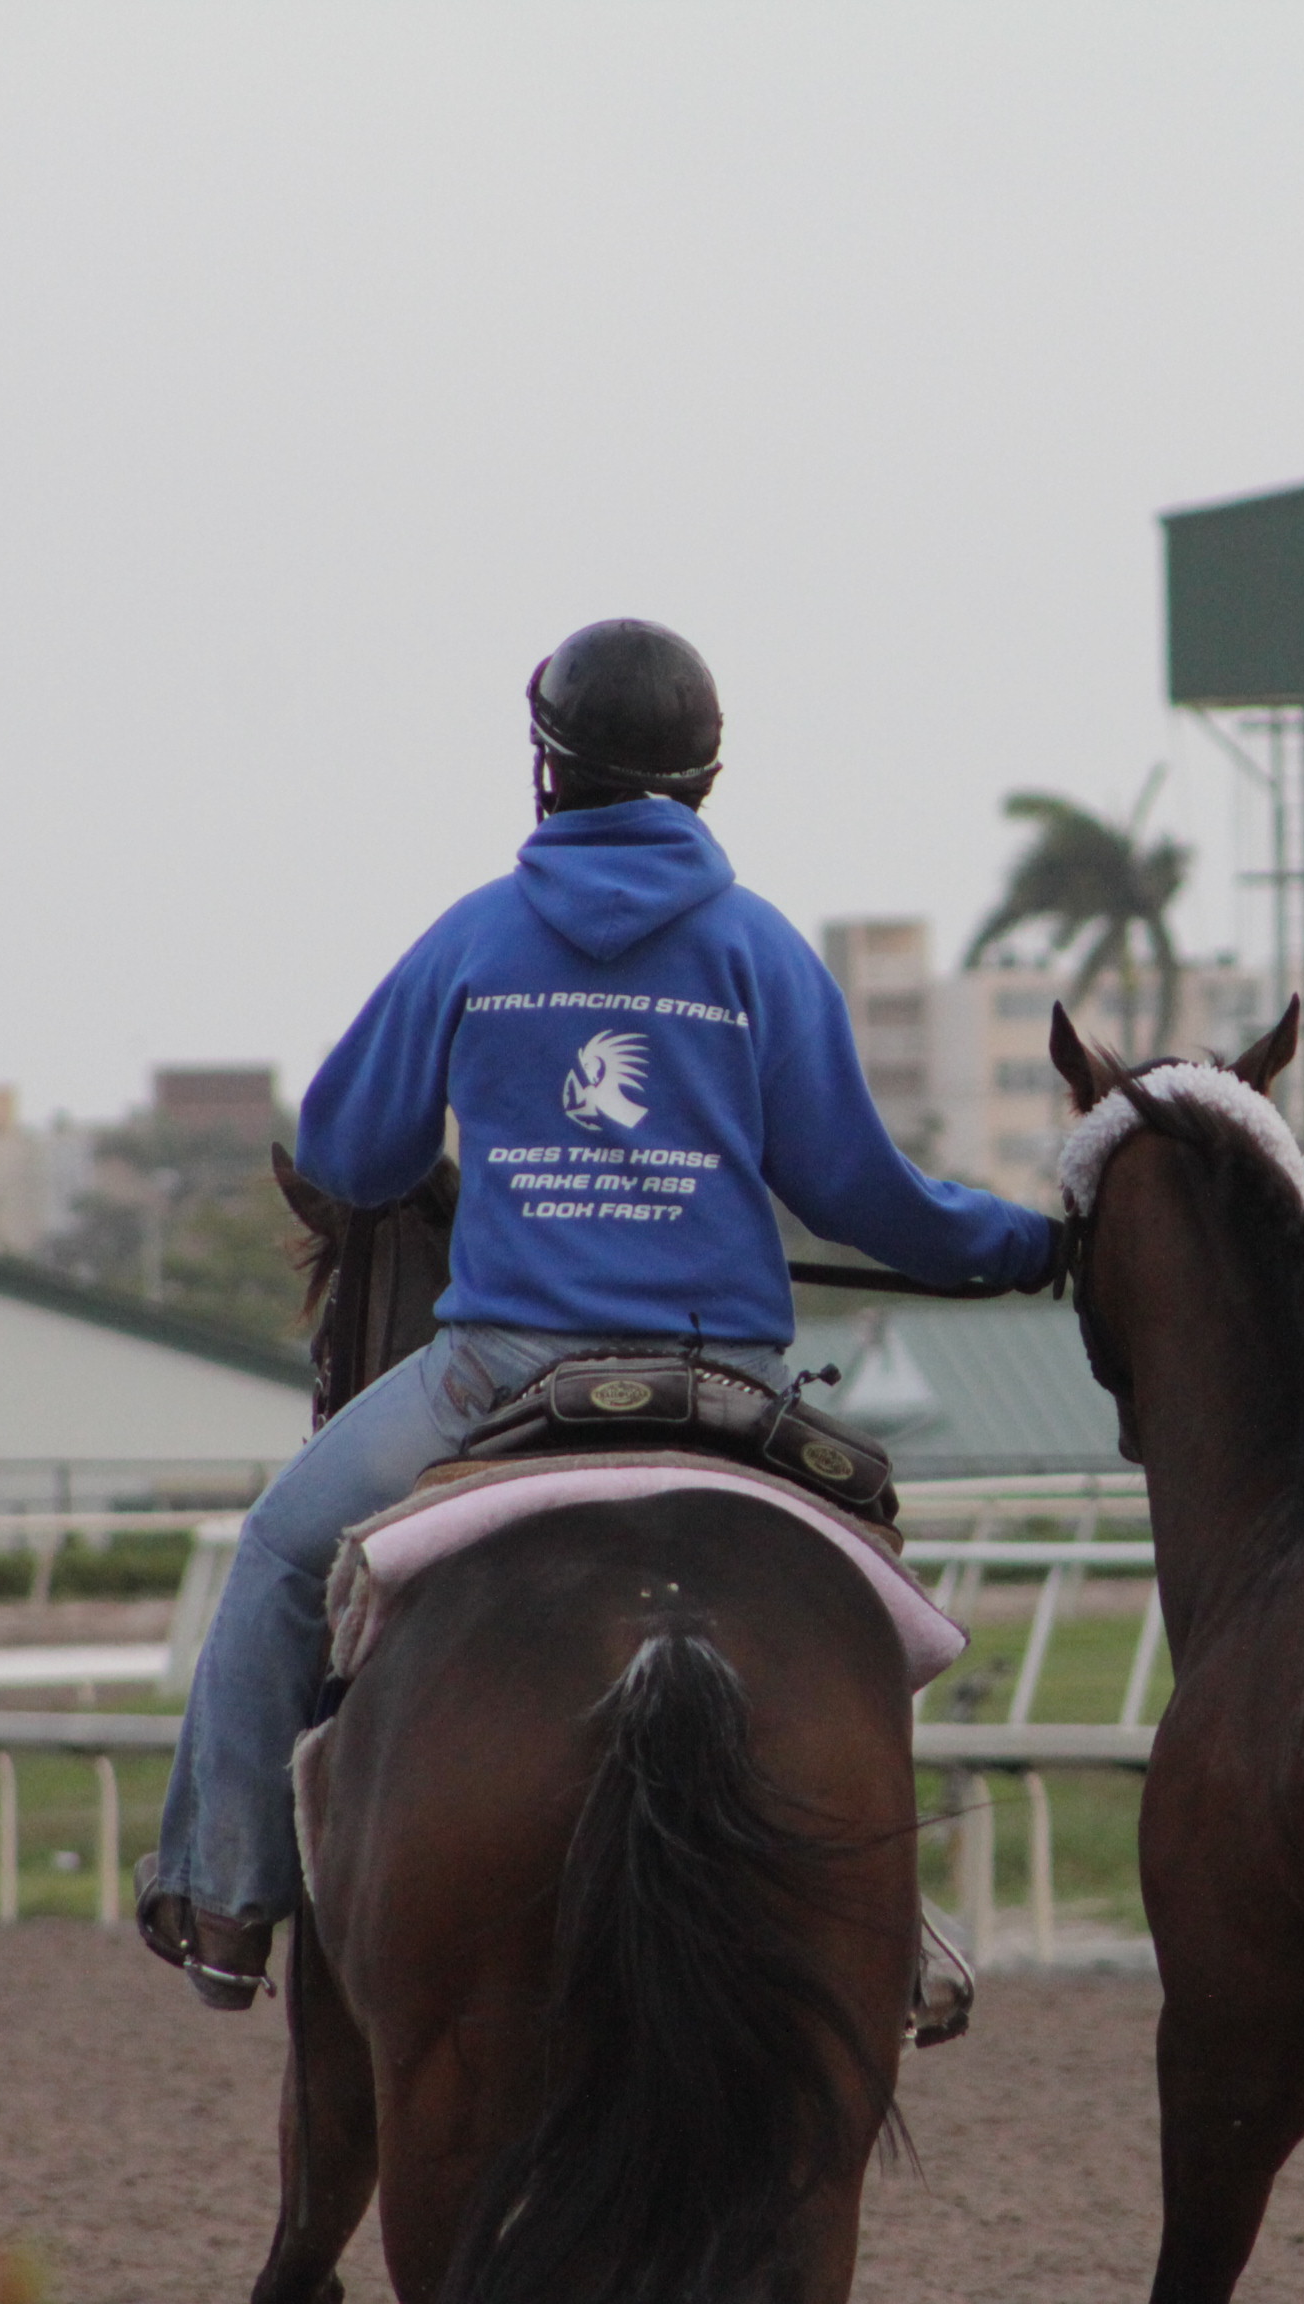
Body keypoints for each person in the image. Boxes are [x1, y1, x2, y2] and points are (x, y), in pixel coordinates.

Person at [137, 618, 1063, 2009]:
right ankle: (891, 1918)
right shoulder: (759, 951)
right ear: (705, 778)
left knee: (276, 1555)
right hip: (731, 1388)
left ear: (548, 766)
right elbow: (860, 1193)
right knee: (845, 1610)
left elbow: (346, 1157)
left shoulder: (476, 936)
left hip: (497, 1378)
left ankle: (225, 1900)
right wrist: (1022, 1246)